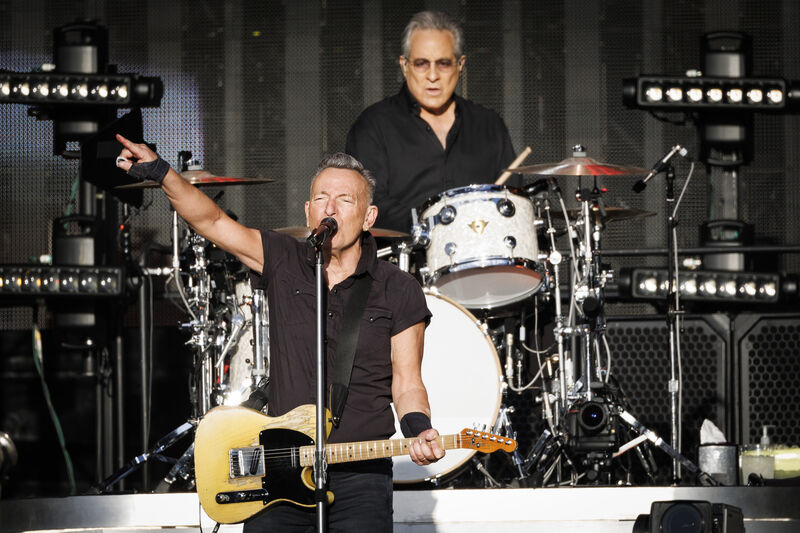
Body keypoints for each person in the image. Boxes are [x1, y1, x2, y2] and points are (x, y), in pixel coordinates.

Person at [114, 137, 445, 532]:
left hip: (361, 475)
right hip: (281, 466)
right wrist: (160, 172)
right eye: (322, 198)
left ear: (369, 215)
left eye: (345, 199)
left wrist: (418, 428)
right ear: (308, 211)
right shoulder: (283, 259)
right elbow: (212, 221)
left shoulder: (397, 287)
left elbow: (407, 381)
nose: (331, 208)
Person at [346, 10, 517, 233]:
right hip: (403, 263)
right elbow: (367, 205)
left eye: (444, 63)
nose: (433, 75)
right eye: (421, 64)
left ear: (460, 65)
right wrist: (436, 221)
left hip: (482, 258)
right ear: (404, 66)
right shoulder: (373, 126)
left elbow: (514, 202)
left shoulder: (489, 125)